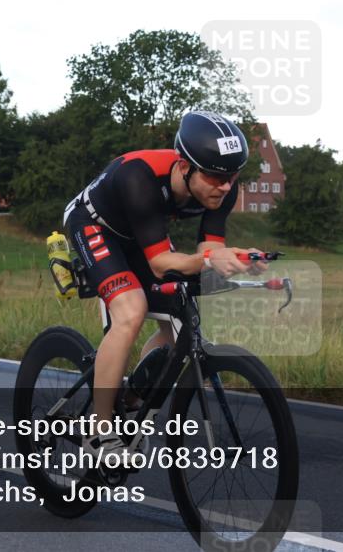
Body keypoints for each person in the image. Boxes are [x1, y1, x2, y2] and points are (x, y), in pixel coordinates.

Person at [63, 111, 265, 464]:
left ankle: (132, 398)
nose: (225, 186)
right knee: (131, 310)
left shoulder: (222, 191)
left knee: (181, 320)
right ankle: (98, 428)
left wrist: (235, 261)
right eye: (215, 176)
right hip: (94, 225)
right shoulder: (139, 178)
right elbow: (159, 264)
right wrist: (208, 262)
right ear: (184, 166)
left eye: (232, 177)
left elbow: (207, 252)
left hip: (140, 234)